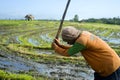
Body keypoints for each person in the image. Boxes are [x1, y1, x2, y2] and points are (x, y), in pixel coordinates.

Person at [52, 26, 120, 80]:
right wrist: (59, 45)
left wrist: (56, 48)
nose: (68, 43)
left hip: (110, 67)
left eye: (68, 41)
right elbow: (73, 48)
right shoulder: (84, 34)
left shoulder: (82, 41)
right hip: (109, 64)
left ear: (72, 38)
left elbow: (68, 53)